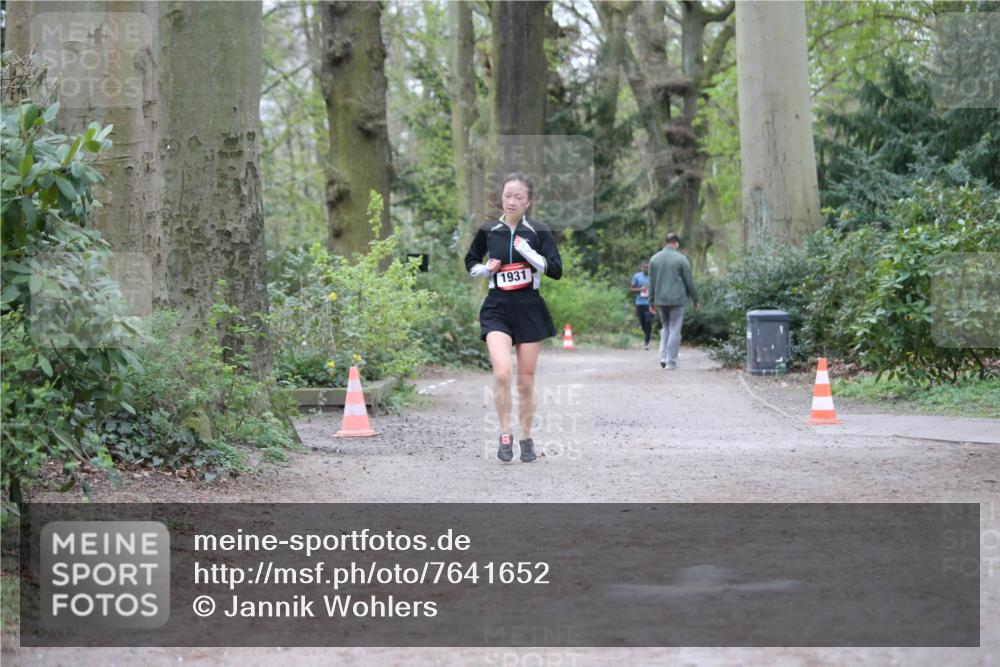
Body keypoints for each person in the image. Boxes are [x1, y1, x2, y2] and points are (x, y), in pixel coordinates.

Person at [464, 173, 563, 463]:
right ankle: (505, 432)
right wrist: (484, 270)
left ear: (528, 201)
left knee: (525, 382)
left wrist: (528, 252)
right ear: (501, 198)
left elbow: (556, 269)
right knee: (502, 372)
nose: (512, 201)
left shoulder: (538, 231)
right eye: (508, 195)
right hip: (497, 307)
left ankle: (527, 436)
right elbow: (470, 261)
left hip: (530, 308)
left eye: (519, 197)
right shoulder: (489, 230)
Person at [647, 232, 699, 370]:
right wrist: (695, 299)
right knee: (675, 329)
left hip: (661, 300)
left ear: (666, 242)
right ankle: (671, 362)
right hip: (677, 299)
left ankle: (663, 356)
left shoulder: (654, 259)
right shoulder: (681, 259)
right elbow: (689, 281)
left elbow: (651, 282)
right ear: (676, 243)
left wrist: (651, 301)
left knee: (666, 327)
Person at [629, 262, 654, 350]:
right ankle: (648, 334)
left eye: (647, 268)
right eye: (644, 268)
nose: (646, 269)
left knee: (648, 321)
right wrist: (640, 289)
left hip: (650, 303)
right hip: (640, 303)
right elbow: (631, 289)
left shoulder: (654, 276)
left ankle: (646, 343)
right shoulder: (637, 276)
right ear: (641, 268)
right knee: (643, 322)